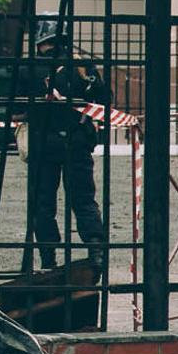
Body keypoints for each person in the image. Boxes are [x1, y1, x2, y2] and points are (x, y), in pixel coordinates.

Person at [26, 27, 109, 272]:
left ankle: (48, 259)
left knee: (42, 202)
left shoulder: (31, 67)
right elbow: (104, 98)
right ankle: (96, 251)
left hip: (44, 142)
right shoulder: (81, 65)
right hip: (77, 139)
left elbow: (16, 104)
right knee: (83, 198)